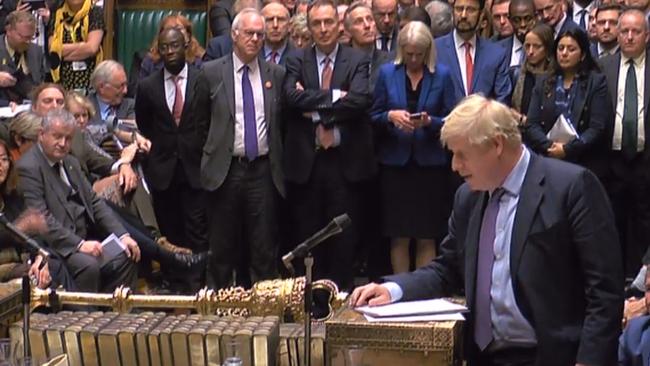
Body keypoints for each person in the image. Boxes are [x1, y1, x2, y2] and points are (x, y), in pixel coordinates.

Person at [351, 94, 624, 366]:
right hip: (483, 356)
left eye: (462, 155)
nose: (455, 166)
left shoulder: (572, 187)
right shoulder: (468, 197)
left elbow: (603, 291)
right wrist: (393, 289)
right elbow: (447, 269)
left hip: (550, 354)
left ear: (496, 145)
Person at [283, 0, 375, 291]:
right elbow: (290, 99)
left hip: (344, 164)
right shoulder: (296, 59)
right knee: (309, 241)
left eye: (329, 23)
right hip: (307, 165)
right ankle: (312, 307)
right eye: (316, 24)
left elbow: (360, 101)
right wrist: (337, 96)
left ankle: (342, 305)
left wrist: (313, 107)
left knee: (343, 241)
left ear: (339, 25)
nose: (323, 29)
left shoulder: (357, 59)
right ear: (309, 28)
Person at [201, 8, 285, 290]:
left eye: (260, 35)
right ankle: (216, 314)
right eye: (249, 33)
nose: (255, 39)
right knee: (222, 249)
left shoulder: (276, 73)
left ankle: (266, 312)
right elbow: (200, 121)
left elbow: (280, 124)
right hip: (226, 170)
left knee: (264, 248)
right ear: (234, 35)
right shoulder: (211, 72)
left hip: (262, 169)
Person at [17, 109, 140, 293]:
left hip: (84, 236)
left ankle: (117, 315)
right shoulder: (29, 167)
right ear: (41, 134)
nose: (63, 144)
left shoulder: (70, 162)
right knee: (88, 265)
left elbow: (95, 203)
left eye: (68, 138)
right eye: (57, 137)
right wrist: (79, 245)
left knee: (126, 254)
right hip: (56, 247)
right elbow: (41, 218)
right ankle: (87, 318)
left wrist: (123, 235)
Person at [370, 21, 454, 274]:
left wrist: (430, 122)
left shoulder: (442, 74)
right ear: (401, 51)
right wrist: (390, 117)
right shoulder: (387, 73)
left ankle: (422, 292)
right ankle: (400, 292)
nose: (414, 59)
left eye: (419, 54)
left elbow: (452, 118)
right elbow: (373, 115)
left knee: (427, 235)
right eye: (409, 54)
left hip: (429, 166)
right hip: (396, 166)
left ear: (427, 51)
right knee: (399, 235)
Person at [135, 27, 210, 292]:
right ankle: (175, 285)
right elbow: (144, 123)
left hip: (196, 168)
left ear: (186, 45)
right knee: (170, 229)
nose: (169, 52)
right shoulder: (147, 86)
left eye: (174, 46)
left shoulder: (204, 79)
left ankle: (197, 286)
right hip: (163, 170)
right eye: (164, 47)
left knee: (197, 229)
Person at [600, 8, 650, 278]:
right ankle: (614, 279)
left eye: (636, 32)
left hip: (645, 158)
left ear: (647, 35)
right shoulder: (602, 66)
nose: (629, 37)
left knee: (644, 222)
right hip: (612, 159)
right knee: (612, 221)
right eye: (625, 31)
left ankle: (641, 280)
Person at [525, 28, 611, 179]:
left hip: (584, 161)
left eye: (571, 49)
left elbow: (596, 128)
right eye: (560, 48)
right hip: (548, 158)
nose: (564, 53)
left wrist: (567, 149)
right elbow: (532, 124)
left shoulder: (596, 82)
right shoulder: (543, 82)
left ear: (582, 55)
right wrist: (550, 147)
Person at [435, 0, 512, 106]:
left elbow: (502, 100)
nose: (463, 15)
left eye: (470, 10)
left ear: (481, 15)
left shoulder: (496, 54)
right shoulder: (435, 49)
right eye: (459, 9)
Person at [48, 0, 104, 93]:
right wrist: (82, 46)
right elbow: (52, 49)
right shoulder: (57, 13)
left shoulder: (94, 12)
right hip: (62, 79)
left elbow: (92, 48)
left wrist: (61, 53)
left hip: (89, 78)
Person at [138, 15, 205, 83]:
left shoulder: (200, 61)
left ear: (188, 35)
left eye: (178, 29)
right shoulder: (150, 63)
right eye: (168, 29)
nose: (173, 34)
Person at [0, 11, 47, 106]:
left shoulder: (36, 51)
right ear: (8, 31)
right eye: (23, 37)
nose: (27, 42)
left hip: (29, 111)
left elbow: (41, 84)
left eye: (31, 37)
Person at [511, 23, 553, 115]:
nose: (530, 52)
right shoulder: (517, 74)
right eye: (527, 46)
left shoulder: (555, 77)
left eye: (537, 47)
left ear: (547, 48)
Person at [497, 0, 537, 82]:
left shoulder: (546, 48)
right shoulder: (498, 50)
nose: (523, 24)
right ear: (509, 20)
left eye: (528, 19)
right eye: (517, 20)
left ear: (536, 17)